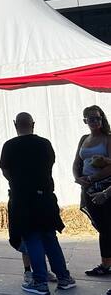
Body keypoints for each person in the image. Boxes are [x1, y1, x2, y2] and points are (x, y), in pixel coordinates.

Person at [0, 112, 76, 294]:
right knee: (49, 236)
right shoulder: (44, 144)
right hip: (45, 197)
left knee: (32, 237)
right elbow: (50, 165)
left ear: (15, 124)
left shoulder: (9, 146)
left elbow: (5, 170)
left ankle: (40, 281)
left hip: (23, 199)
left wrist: (18, 183)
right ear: (33, 124)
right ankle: (64, 277)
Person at [73, 105, 111, 277]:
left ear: (102, 119)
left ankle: (106, 264)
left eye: (98, 118)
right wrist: (77, 177)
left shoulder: (108, 138)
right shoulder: (84, 139)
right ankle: (106, 263)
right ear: (85, 121)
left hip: (105, 186)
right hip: (87, 187)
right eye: (91, 118)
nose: (95, 121)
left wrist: (91, 178)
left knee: (107, 226)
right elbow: (76, 162)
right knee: (101, 226)